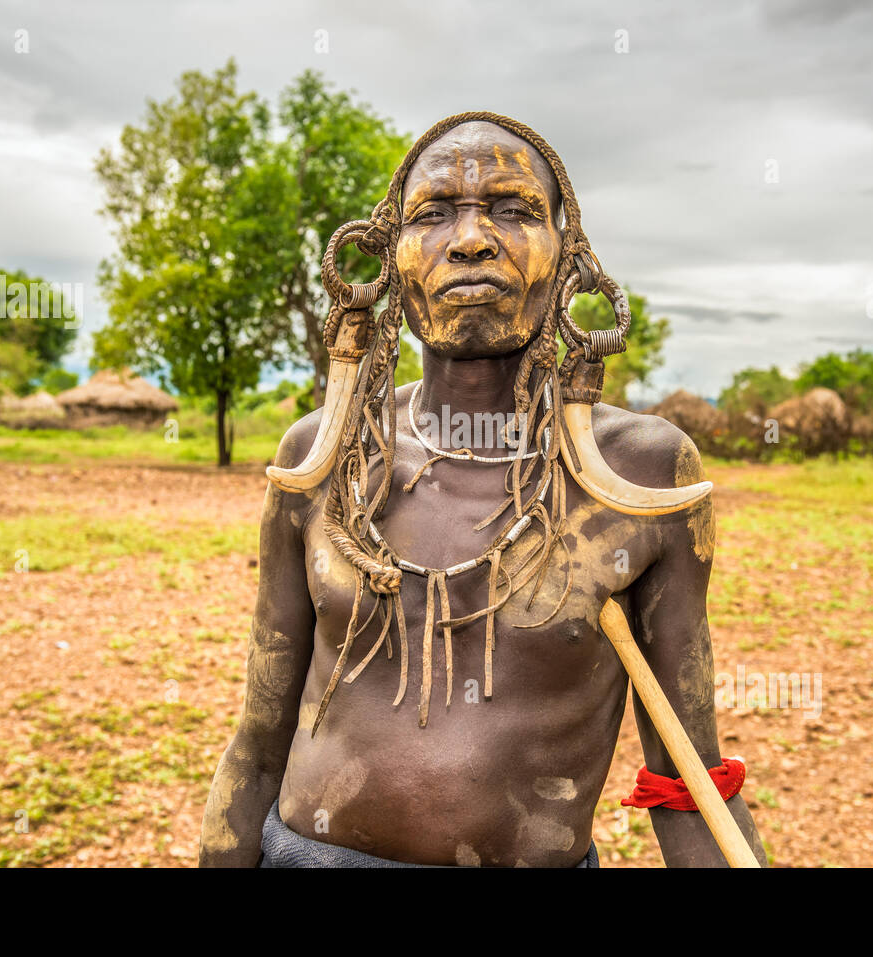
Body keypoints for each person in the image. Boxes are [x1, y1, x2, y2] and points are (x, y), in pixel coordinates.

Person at [200, 112, 766, 867]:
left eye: (512, 208)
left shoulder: (641, 477)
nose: (469, 238)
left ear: (570, 258)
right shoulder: (321, 454)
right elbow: (259, 740)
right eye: (432, 213)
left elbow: (688, 774)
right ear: (390, 257)